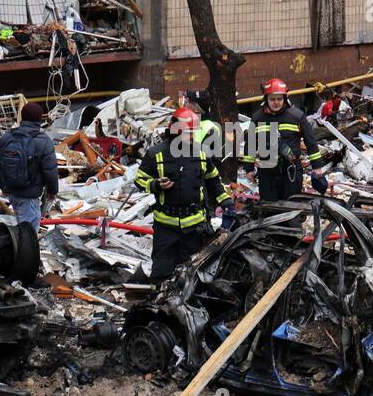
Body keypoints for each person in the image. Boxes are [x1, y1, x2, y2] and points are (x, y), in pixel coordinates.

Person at [135, 108, 231, 282]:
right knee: (161, 272)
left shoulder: (201, 153)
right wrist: (156, 185)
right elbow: (139, 180)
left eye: (193, 132)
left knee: (192, 273)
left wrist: (227, 202)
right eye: (188, 133)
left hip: (194, 228)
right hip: (165, 228)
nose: (192, 136)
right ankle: (158, 305)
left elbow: (213, 180)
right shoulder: (155, 154)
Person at [239, 78, 325, 201]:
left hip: (291, 171)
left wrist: (317, 167)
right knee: (269, 209)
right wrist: (249, 169)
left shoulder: (297, 116)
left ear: (285, 99)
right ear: (266, 99)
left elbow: (310, 142)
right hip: (267, 173)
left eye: (279, 99)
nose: (276, 103)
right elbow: (250, 145)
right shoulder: (257, 118)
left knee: (291, 208)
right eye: (272, 99)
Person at [0, 101, 58, 234]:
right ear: (39, 119)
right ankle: (24, 253)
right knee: (28, 233)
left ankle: (20, 250)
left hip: (12, 192)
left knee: (21, 226)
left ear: (22, 117)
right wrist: (53, 191)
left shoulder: (8, 137)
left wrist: (3, 187)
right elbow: (50, 171)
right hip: (29, 195)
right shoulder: (44, 141)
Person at [184, 89, 225, 164]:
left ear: (196, 109)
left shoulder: (210, 129)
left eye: (188, 102)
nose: (185, 104)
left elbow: (203, 160)